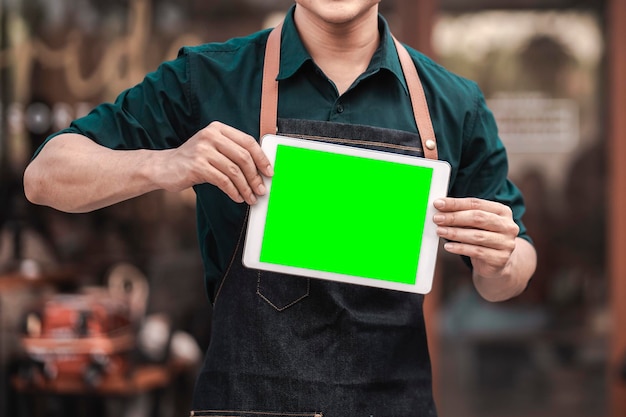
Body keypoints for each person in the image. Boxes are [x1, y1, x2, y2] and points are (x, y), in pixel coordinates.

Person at [23, 1, 537, 416]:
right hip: (245, 403)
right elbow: (45, 175)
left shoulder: (454, 102)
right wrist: (168, 164)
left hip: (393, 402)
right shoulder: (206, 78)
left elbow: (510, 272)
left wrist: (501, 258)